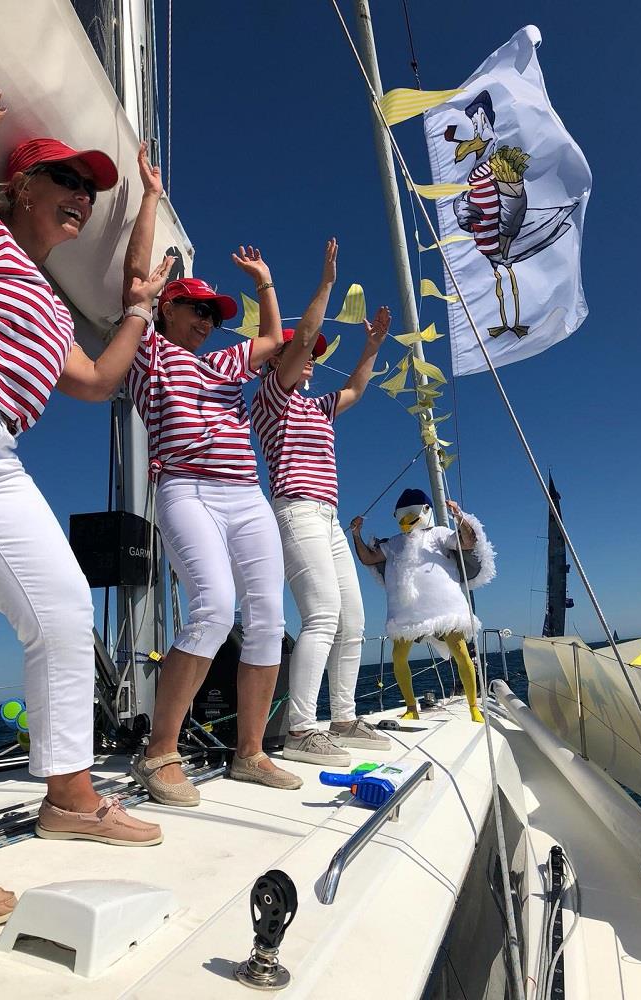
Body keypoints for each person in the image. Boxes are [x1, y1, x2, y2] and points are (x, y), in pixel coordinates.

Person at [0, 76, 173, 927]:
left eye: (90, 189)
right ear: (21, 188)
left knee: (65, 607)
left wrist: (139, 312)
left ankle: (72, 796)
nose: (81, 197)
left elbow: (99, 379)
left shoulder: (48, 301)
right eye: (66, 182)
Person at [124, 177, 301, 804]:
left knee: (269, 618)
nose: (205, 320)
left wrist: (264, 283)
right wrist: (149, 199)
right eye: (196, 309)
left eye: (212, 315)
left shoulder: (223, 364)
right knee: (212, 607)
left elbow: (278, 343)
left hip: (245, 495)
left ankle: (250, 753)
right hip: (186, 488)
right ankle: (160, 752)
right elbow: (134, 281)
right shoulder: (149, 351)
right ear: (168, 309)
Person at [251, 240, 393, 767]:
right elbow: (304, 334)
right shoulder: (272, 395)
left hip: (328, 517)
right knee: (322, 615)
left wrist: (372, 346)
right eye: (300, 353)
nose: (310, 357)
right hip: (296, 510)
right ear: (281, 360)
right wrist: (328, 282)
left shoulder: (316, 406)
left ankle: (343, 717)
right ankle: (300, 729)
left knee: (353, 619)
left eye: (312, 356)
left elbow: (355, 390)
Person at [350, 488, 496, 721]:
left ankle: (473, 708)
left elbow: (468, 542)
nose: (407, 519)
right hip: (406, 611)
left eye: (413, 512)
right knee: (399, 656)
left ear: (426, 511)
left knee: (460, 651)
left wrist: (459, 516)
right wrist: (357, 534)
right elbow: (368, 558)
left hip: (444, 607)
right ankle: (411, 708)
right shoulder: (394, 543)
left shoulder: (439, 533)